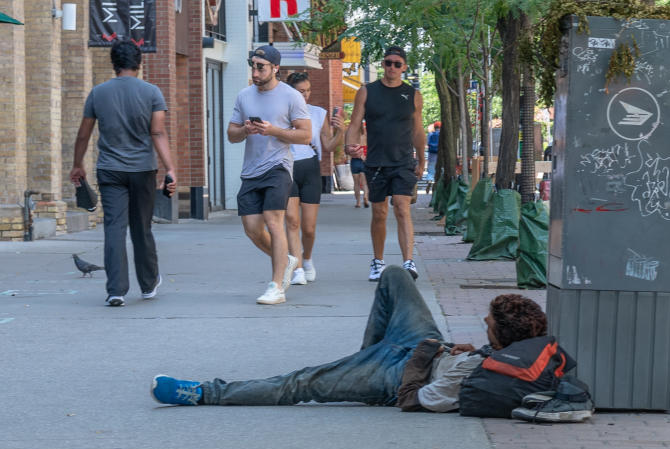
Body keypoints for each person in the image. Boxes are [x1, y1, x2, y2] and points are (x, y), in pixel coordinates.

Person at [150, 267, 547, 410]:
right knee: (395, 275)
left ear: (500, 335)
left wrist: (421, 365)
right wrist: (464, 349)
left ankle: (203, 392)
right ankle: (362, 360)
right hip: (425, 345)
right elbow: (479, 358)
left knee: (300, 383)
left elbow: (419, 400)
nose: (482, 322)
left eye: (488, 323)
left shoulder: (469, 377)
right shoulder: (499, 354)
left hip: (397, 377)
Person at [69, 40, 177, 307]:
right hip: (143, 169)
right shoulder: (152, 92)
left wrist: (77, 164)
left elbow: (84, 134)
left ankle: (116, 290)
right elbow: (158, 132)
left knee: (114, 229)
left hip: (110, 170)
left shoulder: (98, 93)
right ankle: (149, 284)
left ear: (113, 63)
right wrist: (170, 168)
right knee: (142, 228)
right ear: (139, 63)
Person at [228, 46, 312, 305]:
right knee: (252, 229)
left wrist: (274, 130)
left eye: (260, 67)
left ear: (275, 68)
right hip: (251, 170)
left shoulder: (291, 96)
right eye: (252, 65)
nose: (255, 71)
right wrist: (245, 130)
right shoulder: (244, 96)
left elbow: (305, 135)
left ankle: (276, 286)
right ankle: (286, 259)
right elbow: (231, 134)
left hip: (278, 167)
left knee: (274, 221)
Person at [345, 46, 426, 282]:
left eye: (397, 64)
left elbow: (418, 130)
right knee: (379, 212)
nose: (391, 67)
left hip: (403, 161)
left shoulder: (413, 95)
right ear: (383, 64)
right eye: (388, 62)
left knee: (402, 207)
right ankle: (378, 262)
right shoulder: (367, 91)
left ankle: (408, 262)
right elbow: (354, 123)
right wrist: (350, 146)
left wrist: (421, 159)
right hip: (376, 161)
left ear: (404, 67)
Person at [284, 72, 344, 285]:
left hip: (310, 168)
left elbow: (327, 146)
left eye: (308, 90)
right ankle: (297, 268)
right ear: (290, 91)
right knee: (292, 221)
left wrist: (340, 131)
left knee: (308, 228)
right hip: (286, 167)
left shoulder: (318, 113)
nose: (306, 95)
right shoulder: (280, 113)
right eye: (301, 91)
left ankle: (307, 259)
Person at [350, 120, 368, 208]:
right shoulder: (366, 137)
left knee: (356, 183)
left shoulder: (353, 138)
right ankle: (365, 197)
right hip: (364, 161)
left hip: (355, 161)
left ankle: (358, 202)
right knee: (364, 183)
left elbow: (349, 150)